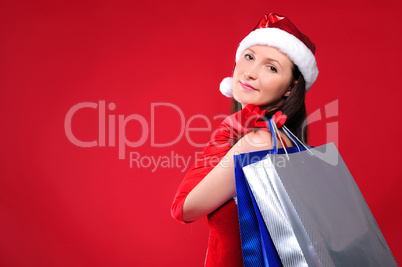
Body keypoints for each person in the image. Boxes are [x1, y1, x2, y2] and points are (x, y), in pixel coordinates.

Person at [171, 13, 318, 266]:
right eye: (249, 57)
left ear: (290, 88)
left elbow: (183, 208)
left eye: (271, 67)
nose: (250, 73)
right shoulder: (286, 140)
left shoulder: (256, 141)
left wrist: (228, 128)